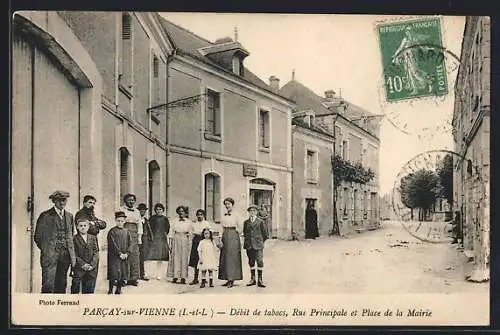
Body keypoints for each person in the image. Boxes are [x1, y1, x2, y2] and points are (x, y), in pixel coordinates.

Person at [34, 190, 76, 293]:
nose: (62, 203)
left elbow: (71, 235)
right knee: (48, 285)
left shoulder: (69, 216)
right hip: (50, 256)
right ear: (54, 201)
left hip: (65, 255)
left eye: (64, 200)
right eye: (59, 200)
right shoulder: (45, 216)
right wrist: (48, 249)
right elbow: (38, 237)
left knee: (62, 285)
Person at [218, 197, 243, 288]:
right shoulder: (224, 215)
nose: (227, 206)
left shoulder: (237, 215)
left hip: (233, 236)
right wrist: (220, 238)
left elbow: (241, 227)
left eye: (229, 204)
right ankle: (226, 278)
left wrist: (236, 234)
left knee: (232, 257)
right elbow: (221, 227)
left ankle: (232, 279)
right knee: (225, 257)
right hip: (225, 235)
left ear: (232, 204)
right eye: (226, 204)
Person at [70, 219, 99, 294]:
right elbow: (74, 253)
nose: (83, 227)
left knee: (89, 291)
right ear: (77, 227)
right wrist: (83, 264)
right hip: (79, 268)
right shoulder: (74, 238)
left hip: (91, 269)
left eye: (85, 225)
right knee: (75, 289)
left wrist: (92, 265)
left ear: (88, 227)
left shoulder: (93, 237)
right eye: (81, 226)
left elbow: (96, 252)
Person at [107, 211, 133, 295]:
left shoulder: (127, 231)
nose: (120, 223)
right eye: (118, 220)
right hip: (114, 256)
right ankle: (110, 290)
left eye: (122, 221)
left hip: (124, 256)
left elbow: (131, 243)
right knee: (113, 273)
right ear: (115, 220)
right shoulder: (112, 231)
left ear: (124, 221)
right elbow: (112, 243)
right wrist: (119, 253)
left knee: (122, 273)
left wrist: (127, 253)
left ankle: (119, 289)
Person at [243, 205, 269, 288]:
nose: (252, 212)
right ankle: (253, 279)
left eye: (254, 211)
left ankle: (260, 280)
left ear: (257, 212)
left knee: (260, 261)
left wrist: (260, 242)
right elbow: (245, 233)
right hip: (249, 245)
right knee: (251, 261)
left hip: (258, 245)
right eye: (250, 211)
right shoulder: (246, 222)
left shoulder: (260, 221)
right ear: (249, 212)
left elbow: (265, 234)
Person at [166, 206, 193, 284]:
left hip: (184, 238)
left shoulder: (189, 222)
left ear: (185, 212)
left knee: (184, 258)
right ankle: (175, 276)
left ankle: (183, 277)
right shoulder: (174, 221)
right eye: (180, 211)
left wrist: (188, 240)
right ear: (178, 212)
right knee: (175, 257)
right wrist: (170, 244)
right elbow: (171, 232)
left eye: (183, 211)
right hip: (176, 238)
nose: (181, 213)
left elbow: (191, 232)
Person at [120, 193, 141, 286]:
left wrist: (139, 237)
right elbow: (119, 222)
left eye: (132, 200)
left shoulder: (137, 211)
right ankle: (124, 278)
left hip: (134, 233)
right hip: (125, 231)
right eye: (129, 200)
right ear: (125, 200)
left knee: (134, 256)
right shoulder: (121, 209)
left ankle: (133, 279)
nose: (131, 201)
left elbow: (139, 224)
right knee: (125, 254)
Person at [188, 209, 213, 285]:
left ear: (204, 215)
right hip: (196, 240)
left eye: (201, 214)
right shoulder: (194, 223)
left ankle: (204, 278)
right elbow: (191, 231)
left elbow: (210, 232)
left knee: (204, 258)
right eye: (198, 214)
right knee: (196, 259)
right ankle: (195, 278)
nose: (199, 216)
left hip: (203, 240)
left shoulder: (206, 223)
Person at [147, 203, 170, 280]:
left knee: (160, 257)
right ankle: (150, 273)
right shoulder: (152, 218)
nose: (158, 211)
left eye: (160, 209)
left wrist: (163, 235)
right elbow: (149, 228)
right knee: (151, 256)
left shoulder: (165, 219)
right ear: (155, 210)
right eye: (157, 209)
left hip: (162, 239)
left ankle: (158, 274)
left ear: (163, 210)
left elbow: (167, 229)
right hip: (154, 239)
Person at [137, 203, 152, 281]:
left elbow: (149, 230)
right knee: (136, 257)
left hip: (145, 240)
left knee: (142, 257)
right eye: (140, 211)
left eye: (143, 211)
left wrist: (150, 239)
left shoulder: (146, 220)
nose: (142, 212)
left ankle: (142, 274)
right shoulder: (136, 219)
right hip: (137, 239)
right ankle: (136, 275)